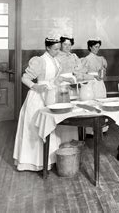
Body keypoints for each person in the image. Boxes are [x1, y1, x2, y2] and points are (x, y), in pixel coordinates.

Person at [13, 37, 77, 171]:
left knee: (51, 127)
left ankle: (50, 160)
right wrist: (34, 86)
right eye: (55, 49)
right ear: (47, 47)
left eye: (59, 48)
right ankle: (33, 162)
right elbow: (24, 78)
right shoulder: (39, 61)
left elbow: (54, 78)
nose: (57, 51)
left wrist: (64, 79)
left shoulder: (54, 59)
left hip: (51, 95)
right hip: (38, 97)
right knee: (37, 128)